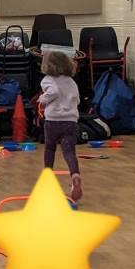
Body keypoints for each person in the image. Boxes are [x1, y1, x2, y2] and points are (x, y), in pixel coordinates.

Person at [39, 50, 83, 202]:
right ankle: (75, 174)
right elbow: (77, 100)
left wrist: (42, 99)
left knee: (50, 149)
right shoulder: (71, 82)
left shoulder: (48, 80)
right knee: (69, 151)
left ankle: (47, 178)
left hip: (53, 121)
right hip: (70, 121)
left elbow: (53, 92)